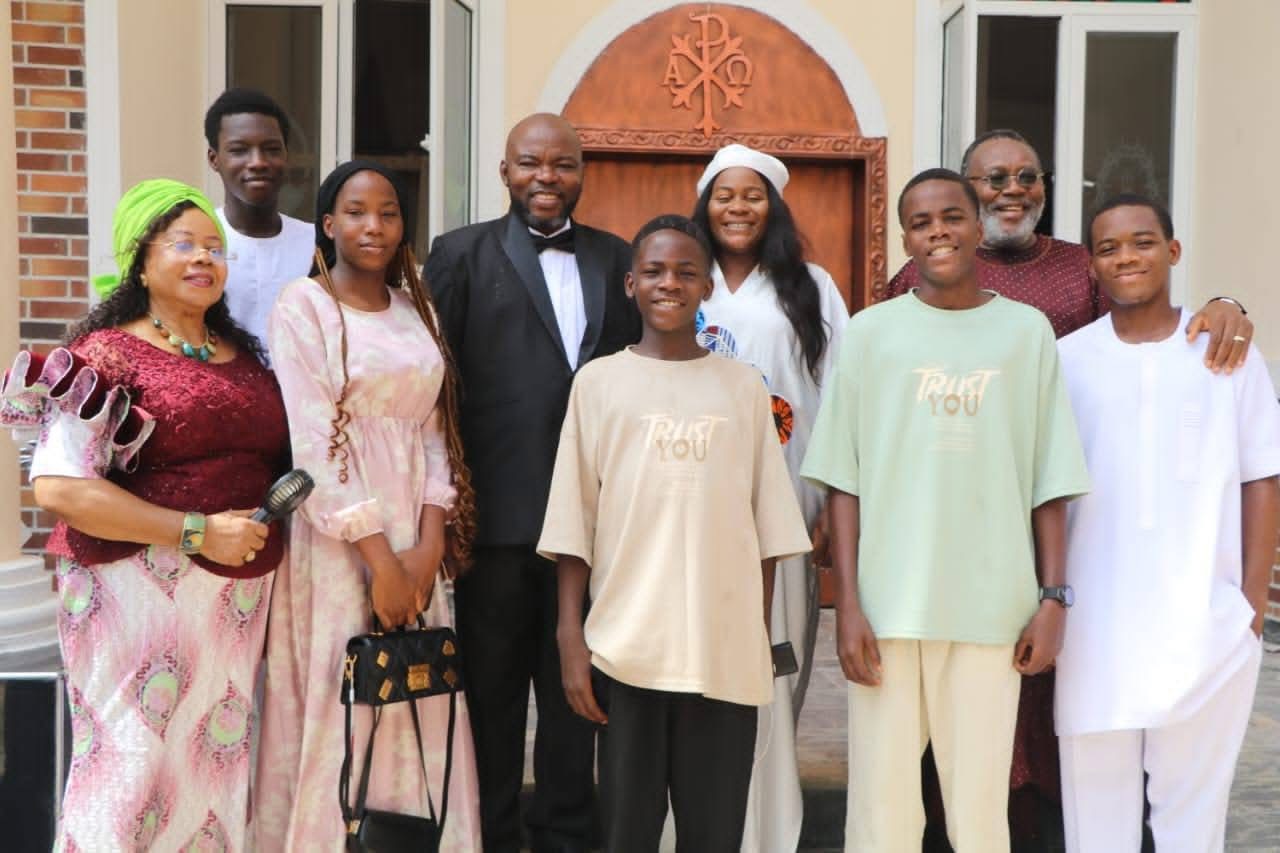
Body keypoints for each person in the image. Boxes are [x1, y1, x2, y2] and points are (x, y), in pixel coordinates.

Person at [886, 129, 1257, 850]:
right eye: (994, 179)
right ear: (966, 193)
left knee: (1071, 723)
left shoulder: (1075, 269)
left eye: (1027, 176)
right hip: (978, 529)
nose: (1012, 190)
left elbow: (1141, 318)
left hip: (1069, 535)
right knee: (976, 715)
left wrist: (1225, 302)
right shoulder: (921, 273)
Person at [801, 169, 1090, 852]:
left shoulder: (1026, 333)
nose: (939, 232)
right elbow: (844, 481)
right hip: (889, 609)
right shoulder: (871, 333)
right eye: (922, 222)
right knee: (882, 813)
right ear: (905, 238)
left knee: (981, 812)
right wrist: (848, 605)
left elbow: (1049, 479)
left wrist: (1053, 598)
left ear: (978, 225)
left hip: (993, 608)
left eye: (952, 216)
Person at [0, 179, 289, 849]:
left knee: (212, 776)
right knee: (128, 768)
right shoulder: (105, 357)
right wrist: (197, 531)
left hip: (231, 605)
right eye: (183, 243)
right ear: (140, 257)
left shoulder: (244, 356)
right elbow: (60, 488)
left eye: (214, 247)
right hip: (133, 591)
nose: (204, 258)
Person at [538, 214, 811, 852]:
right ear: (630, 283)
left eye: (687, 272)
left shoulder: (742, 388)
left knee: (713, 833)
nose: (670, 283)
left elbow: (767, 527)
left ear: (707, 287)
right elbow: (574, 525)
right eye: (655, 271)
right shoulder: (598, 383)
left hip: (720, 652)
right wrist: (571, 637)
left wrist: (755, 636)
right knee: (627, 832)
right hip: (626, 647)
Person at [425, 113, 640, 852]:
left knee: (579, 701)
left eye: (562, 164)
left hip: (595, 526)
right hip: (496, 526)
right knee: (491, 702)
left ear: (582, 172)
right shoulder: (459, 254)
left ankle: (566, 838)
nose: (546, 177)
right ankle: (490, 837)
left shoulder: (619, 258)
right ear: (505, 171)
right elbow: (437, 390)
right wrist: (447, 512)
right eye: (530, 163)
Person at [252, 161, 482, 849]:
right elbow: (313, 446)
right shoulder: (304, 306)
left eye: (388, 212)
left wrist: (429, 546)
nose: (373, 225)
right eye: (355, 212)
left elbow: (433, 432)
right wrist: (382, 563)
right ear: (328, 224)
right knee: (346, 702)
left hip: (414, 540)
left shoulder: (418, 308)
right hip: (339, 541)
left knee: (417, 692)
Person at [1055, 194, 1280, 852]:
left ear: (1174, 251)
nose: (1126, 257)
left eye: (1143, 242)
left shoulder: (1228, 353)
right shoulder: (1067, 360)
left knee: (1192, 828)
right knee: (1096, 829)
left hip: (1204, 628)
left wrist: (1248, 607)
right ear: (1092, 265)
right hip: (1094, 631)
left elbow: (1262, 476)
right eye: (1109, 248)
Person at [689, 143, 848, 851]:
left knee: (772, 677)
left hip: (783, 510)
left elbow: (841, 396)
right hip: (687, 511)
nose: (738, 207)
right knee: (694, 675)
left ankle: (768, 836)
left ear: (773, 207)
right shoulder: (683, 275)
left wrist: (829, 502)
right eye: (725, 195)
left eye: (752, 195)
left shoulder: (810, 286)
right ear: (705, 204)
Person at [204, 87, 314, 363]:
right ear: (214, 159)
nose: (257, 162)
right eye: (239, 150)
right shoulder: (198, 244)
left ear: (286, 155)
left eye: (271, 149)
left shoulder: (316, 244)